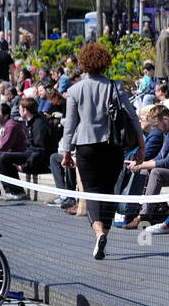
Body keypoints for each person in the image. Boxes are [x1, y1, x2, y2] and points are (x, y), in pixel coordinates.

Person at [57, 42, 145, 260]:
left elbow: (70, 125)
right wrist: (141, 141)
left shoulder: (75, 90)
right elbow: (132, 115)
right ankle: (103, 234)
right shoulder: (115, 86)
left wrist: (65, 152)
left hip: (86, 146)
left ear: (83, 64)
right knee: (108, 191)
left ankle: (98, 234)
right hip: (112, 146)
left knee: (92, 190)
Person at [0, 97, 53, 199]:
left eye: (20, 109)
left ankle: (17, 191)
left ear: (25, 110)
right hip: (30, 154)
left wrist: (25, 166)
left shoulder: (39, 124)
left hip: (40, 160)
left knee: (4, 157)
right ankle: (9, 191)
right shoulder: (30, 122)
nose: (18, 112)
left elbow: (40, 150)